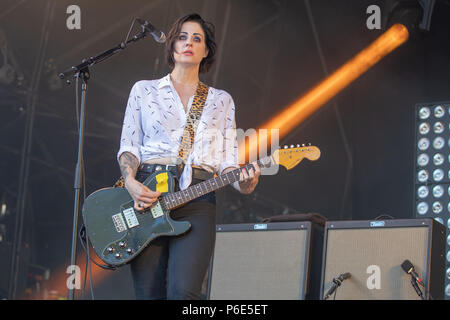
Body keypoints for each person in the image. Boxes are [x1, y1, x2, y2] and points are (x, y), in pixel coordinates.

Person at [117, 13, 260, 300]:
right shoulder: (144, 91)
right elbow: (129, 145)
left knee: (185, 293)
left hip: (198, 199)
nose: (189, 43)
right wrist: (130, 181)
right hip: (148, 194)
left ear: (206, 51)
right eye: (182, 37)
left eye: (197, 39)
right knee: (148, 294)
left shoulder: (221, 100)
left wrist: (246, 181)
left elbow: (228, 161)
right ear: (171, 45)